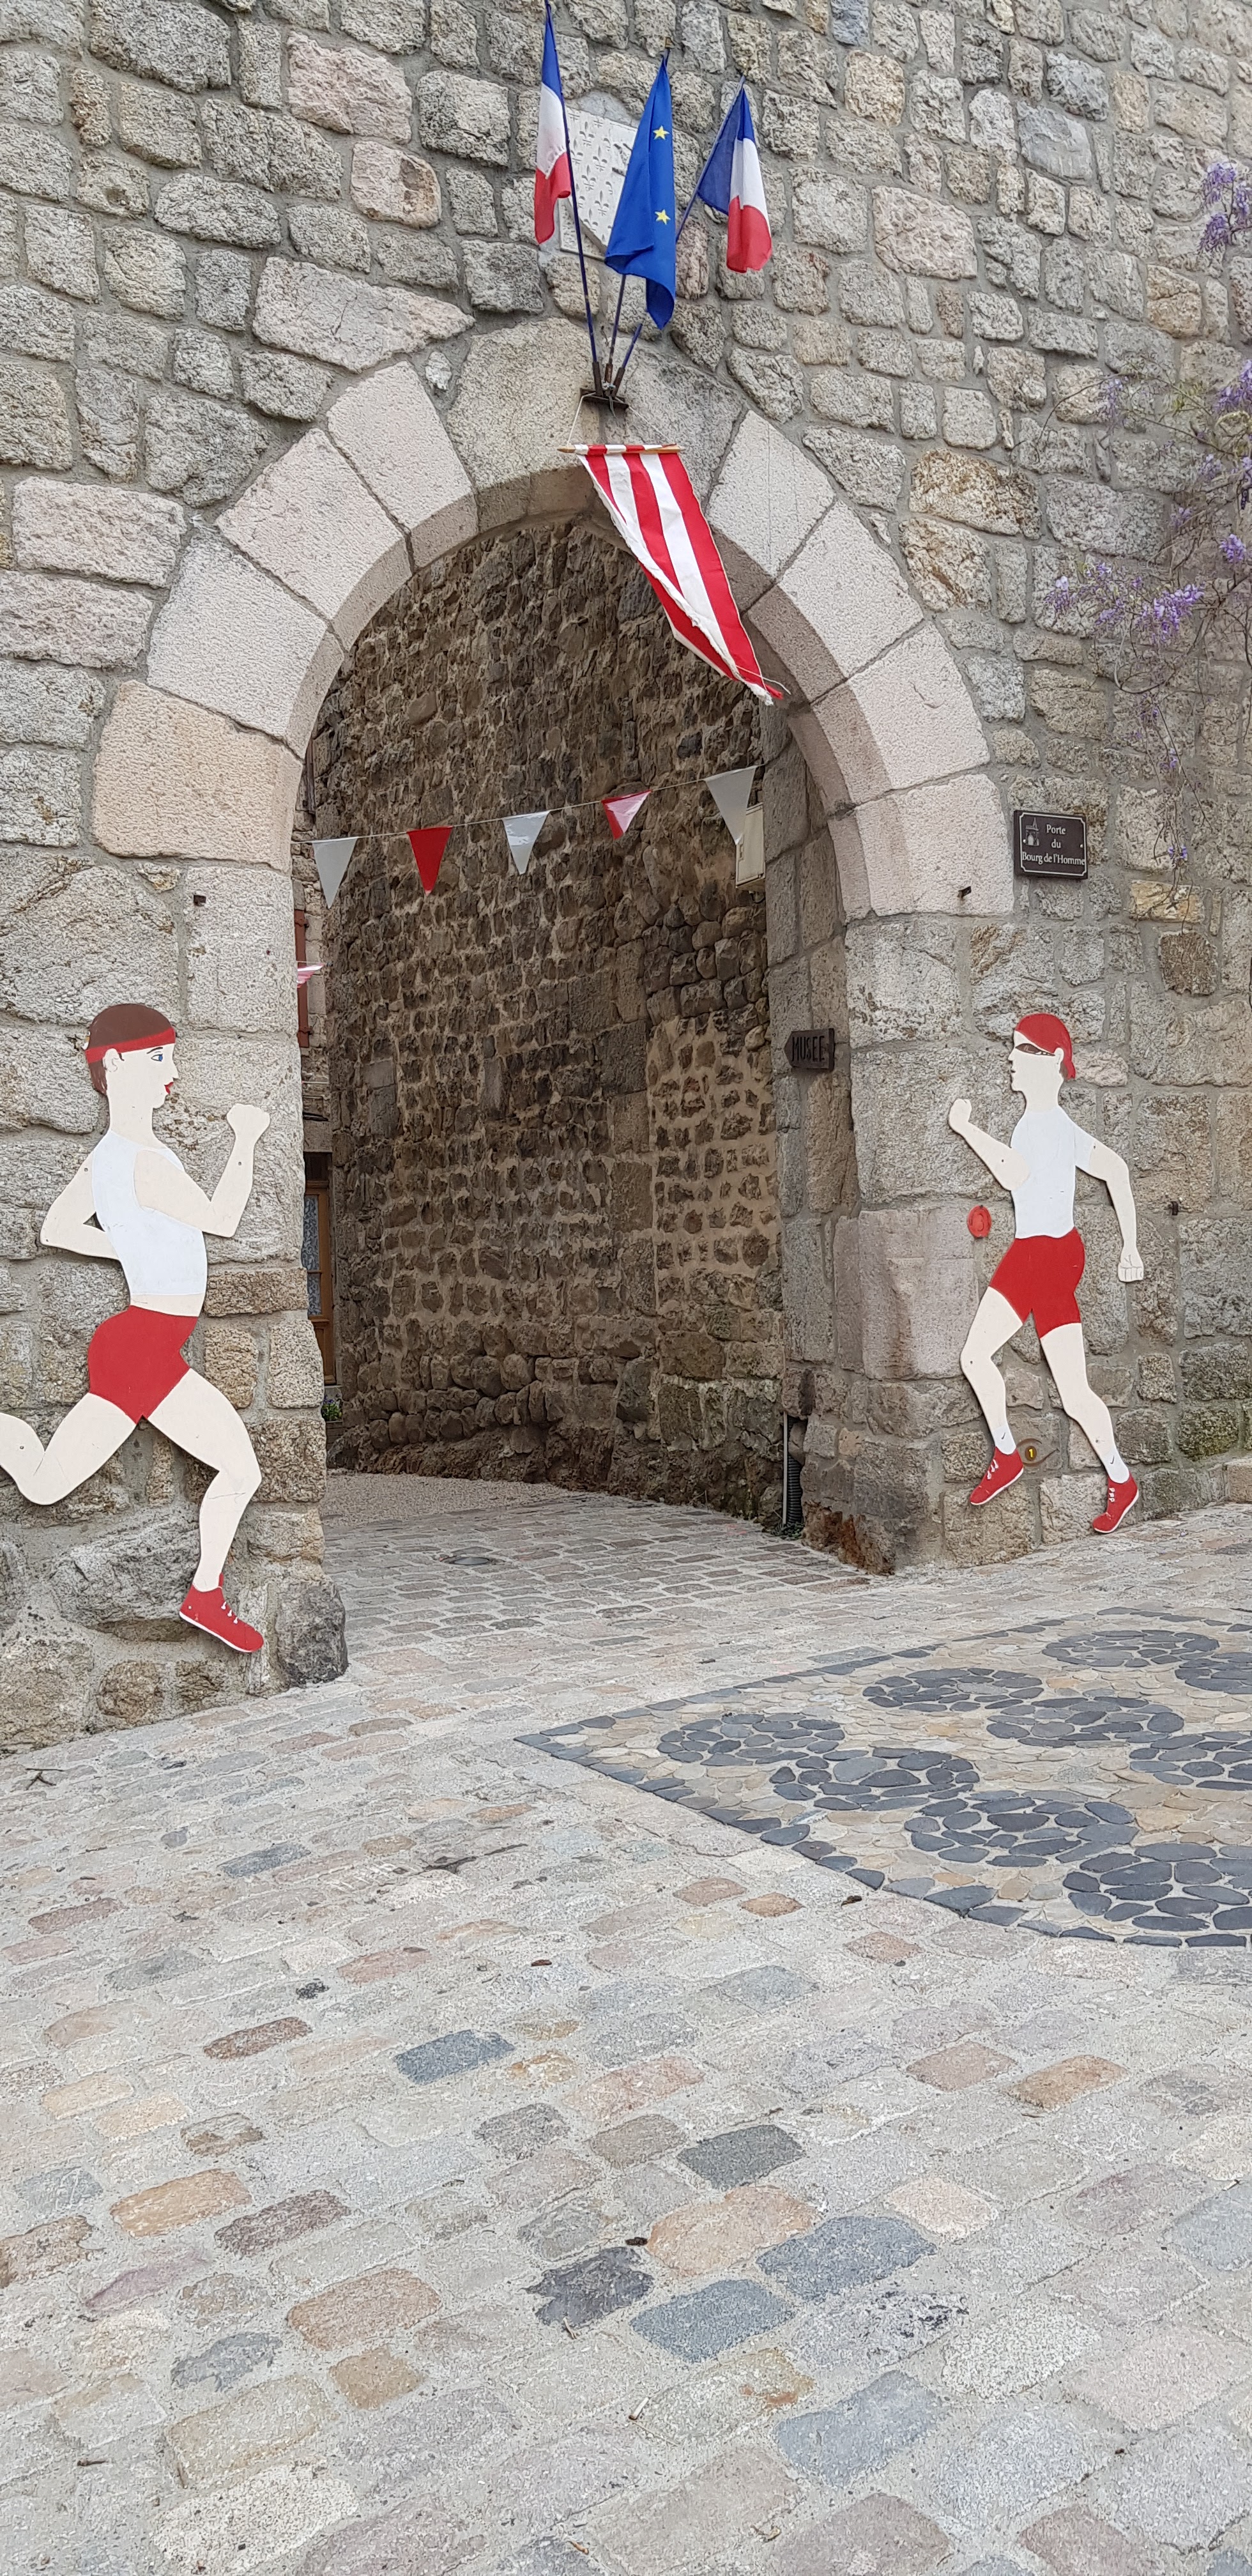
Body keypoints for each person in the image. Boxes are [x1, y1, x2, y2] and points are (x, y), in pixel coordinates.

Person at [0, 1002, 271, 1650]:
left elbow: (58, 1228)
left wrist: (132, 1249)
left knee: (45, 1482)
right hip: (147, 1347)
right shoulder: (145, 1160)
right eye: (158, 1057)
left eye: (171, 1057)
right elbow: (223, 1219)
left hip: (135, 1344)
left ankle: (205, 1595)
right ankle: (205, 1596)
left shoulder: (109, 1156)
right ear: (116, 1064)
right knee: (241, 1471)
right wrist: (246, 1138)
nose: (171, 1072)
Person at [949, 1011, 1144, 1537]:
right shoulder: (1042, 1124)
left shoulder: (1048, 1127)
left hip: (1050, 1259)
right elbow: (1115, 1169)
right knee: (978, 1358)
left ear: (1053, 1060)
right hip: (1032, 1255)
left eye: (1022, 1049)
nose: (1011, 1058)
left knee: (1071, 1391)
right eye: (1012, 1048)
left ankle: (1115, 1478)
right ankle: (1012, 1456)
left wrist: (966, 1128)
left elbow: (1014, 1174)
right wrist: (1129, 1246)